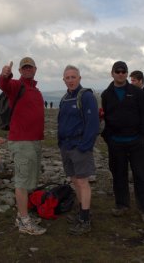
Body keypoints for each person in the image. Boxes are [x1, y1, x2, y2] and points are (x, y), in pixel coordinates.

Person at [0, 57, 46, 235]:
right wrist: (5, 75)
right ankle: (24, 222)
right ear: (19, 71)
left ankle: (22, 215)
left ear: (35, 69)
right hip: (21, 141)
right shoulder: (17, 86)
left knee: (29, 181)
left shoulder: (35, 90)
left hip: (34, 141)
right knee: (22, 181)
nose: (27, 70)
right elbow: (4, 85)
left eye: (30, 67)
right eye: (24, 68)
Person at [101, 61, 144, 223]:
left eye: (124, 71)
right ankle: (122, 204)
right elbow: (104, 117)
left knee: (141, 175)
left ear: (127, 74)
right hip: (115, 142)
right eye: (118, 71)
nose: (121, 73)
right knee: (118, 175)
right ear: (112, 73)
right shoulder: (106, 94)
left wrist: (143, 136)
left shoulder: (137, 93)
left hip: (136, 142)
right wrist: (108, 137)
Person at [58, 65, 100, 235]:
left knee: (83, 182)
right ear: (64, 80)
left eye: (73, 77)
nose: (70, 80)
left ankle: (85, 218)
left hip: (79, 147)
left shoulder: (86, 96)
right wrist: (61, 143)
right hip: (66, 147)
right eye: (67, 78)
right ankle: (81, 211)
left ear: (79, 78)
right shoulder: (65, 98)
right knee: (75, 181)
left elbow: (93, 123)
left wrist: (85, 146)